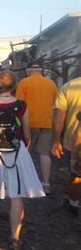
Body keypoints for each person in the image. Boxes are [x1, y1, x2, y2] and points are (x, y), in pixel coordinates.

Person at [0, 71, 45, 250]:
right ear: (14, 86)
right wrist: (25, 145)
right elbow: (27, 133)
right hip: (16, 150)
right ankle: (15, 237)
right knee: (17, 194)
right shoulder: (21, 105)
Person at [15, 62, 58, 194]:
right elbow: (55, 103)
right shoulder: (51, 83)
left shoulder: (24, 82)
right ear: (41, 71)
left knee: (25, 152)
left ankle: (24, 181)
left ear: (29, 71)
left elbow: (18, 104)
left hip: (28, 123)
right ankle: (46, 183)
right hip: (47, 123)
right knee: (44, 154)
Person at [52, 77, 81, 214]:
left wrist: (56, 140)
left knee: (75, 175)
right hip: (74, 142)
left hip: (73, 143)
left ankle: (73, 203)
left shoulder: (69, 86)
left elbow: (59, 115)